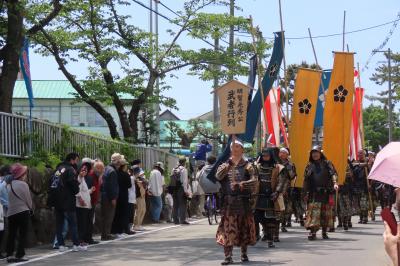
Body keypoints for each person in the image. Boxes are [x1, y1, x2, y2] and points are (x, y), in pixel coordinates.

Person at [216, 139, 257, 265]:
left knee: (244, 228)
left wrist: (241, 184)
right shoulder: (224, 165)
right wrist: (228, 165)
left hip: (243, 202)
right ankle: (228, 256)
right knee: (228, 229)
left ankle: (244, 253)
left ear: (242, 149)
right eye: (233, 146)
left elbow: (255, 181)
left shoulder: (249, 166)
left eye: (238, 146)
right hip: (229, 202)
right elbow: (218, 176)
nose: (235, 148)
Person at [303, 146, 338, 240]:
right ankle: (313, 232)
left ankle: (324, 232)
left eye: (316, 152)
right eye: (313, 153)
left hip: (326, 193)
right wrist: (304, 193)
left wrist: (335, 183)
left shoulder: (327, 163)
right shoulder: (309, 165)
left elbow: (333, 174)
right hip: (313, 194)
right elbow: (306, 180)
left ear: (320, 153)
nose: (315, 154)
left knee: (325, 214)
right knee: (313, 214)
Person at [254, 148, 286, 248]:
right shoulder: (256, 167)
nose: (265, 157)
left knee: (270, 221)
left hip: (271, 198)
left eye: (267, 155)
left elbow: (281, 181)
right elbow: (252, 179)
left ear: (271, 156)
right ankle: (256, 235)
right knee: (256, 218)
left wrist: (277, 192)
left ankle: (270, 239)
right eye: (263, 155)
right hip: (258, 198)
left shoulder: (278, 167)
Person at [51, 153, 81, 252]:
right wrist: (77, 187)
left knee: (59, 224)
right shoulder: (70, 169)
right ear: (71, 160)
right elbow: (73, 185)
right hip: (67, 200)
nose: (77, 162)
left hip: (57, 200)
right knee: (72, 223)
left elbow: (52, 184)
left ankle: (61, 245)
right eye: (76, 160)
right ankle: (76, 244)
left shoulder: (58, 169)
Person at [6, 163, 32, 263]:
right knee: (22, 234)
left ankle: (9, 255)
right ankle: (20, 255)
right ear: (22, 174)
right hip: (22, 211)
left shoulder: (8, 185)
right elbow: (28, 200)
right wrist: (31, 209)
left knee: (11, 234)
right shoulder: (24, 185)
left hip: (11, 213)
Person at [100, 153, 121, 241]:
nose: (120, 163)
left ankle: (104, 234)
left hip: (104, 196)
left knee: (105, 216)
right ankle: (106, 234)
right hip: (109, 197)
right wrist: (113, 198)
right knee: (109, 216)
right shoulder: (112, 171)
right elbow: (112, 186)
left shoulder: (106, 169)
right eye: (119, 161)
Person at [111, 157, 133, 236]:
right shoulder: (125, 174)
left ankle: (115, 231)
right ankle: (121, 230)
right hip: (124, 195)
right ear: (123, 166)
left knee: (116, 214)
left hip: (116, 195)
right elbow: (129, 185)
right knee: (123, 214)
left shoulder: (115, 173)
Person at [85, 160, 104, 245]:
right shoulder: (91, 176)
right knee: (88, 221)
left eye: (101, 168)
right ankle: (87, 238)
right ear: (95, 168)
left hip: (93, 202)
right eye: (98, 168)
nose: (100, 170)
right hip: (89, 202)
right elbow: (88, 190)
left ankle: (89, 238)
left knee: (90, 220)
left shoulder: (96, 176)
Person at [278, 148, 296, 233]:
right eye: (280, 152)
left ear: (287, 155)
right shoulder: (275, 162)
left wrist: (289, 169)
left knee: (285, 208)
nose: (281, 154)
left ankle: (283, 224)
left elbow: (292, 176)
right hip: (275, 187)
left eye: (283, 153)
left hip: (286, 189)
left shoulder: (290, 165)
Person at [352, 150, 371, 224]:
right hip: (356, 186)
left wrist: (370, 184)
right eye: (359, 153)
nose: (360, 155)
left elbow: (371, 174)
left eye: (361, 154)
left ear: (364, 154)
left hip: (364, 186)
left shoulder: (367, 164)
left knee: (363, 203)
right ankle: (361, 217)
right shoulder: (355, 163)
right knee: (358, 204)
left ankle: (365, 217)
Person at [171, 157, 191, 225]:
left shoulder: (174, 169)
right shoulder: (184, 169)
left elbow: (172, 179)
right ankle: (182, 220)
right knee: (182, 204)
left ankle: (175, 220)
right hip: (181, 188)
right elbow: (184, 181)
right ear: (184, 162)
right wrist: (186, 191)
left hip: (174, 188)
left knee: (175, 204)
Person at [337, 163, 354, 231]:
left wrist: (343, 174)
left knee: (347, 207)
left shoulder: (347, 165)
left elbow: (350, 175)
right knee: (339, 208)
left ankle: (346, 222)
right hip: (338, 191)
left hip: (346, 191)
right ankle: (340, 222)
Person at [0, 165, 10, 258]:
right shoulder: (3, 183)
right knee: (2, 232)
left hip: (3, 211)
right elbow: (5, 200)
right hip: (3, 212)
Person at [127, 167, 137, 233]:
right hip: (130, 198)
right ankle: (129, 228)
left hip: (131, 198)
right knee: (130, 214)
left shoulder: (131, 178)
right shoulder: (132, 178)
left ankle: (129, 228)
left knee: (130, 214)